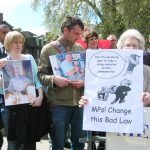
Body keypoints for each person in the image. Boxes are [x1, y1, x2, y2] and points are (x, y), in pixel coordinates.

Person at [38, 16, 85, 150]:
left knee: (79, 144)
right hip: (59, 105)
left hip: (79, 104)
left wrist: (83, 82)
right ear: (65, 29)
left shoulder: (80, 49)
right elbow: (40, 76)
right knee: (57, 144)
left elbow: (87, 74)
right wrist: (54, 79)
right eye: (76, 33)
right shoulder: (48, 49)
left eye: (80, 34)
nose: (79, 37)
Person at [0, 31, 44, 150]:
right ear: (8, 43)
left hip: (29, 105)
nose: (18, 45)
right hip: (10, 108)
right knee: (12, 142)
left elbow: (37, 80)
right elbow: (2, 89)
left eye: (20, 42)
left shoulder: (28, 58)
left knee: (29, 140)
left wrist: (40, 97)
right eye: (15, 42)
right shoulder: (3, 63)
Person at [0, 23, 10, 148]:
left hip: (11, 98)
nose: (7, 35)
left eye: (8, 32)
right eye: (3, 33)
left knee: (12, 134)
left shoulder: (15, 49)